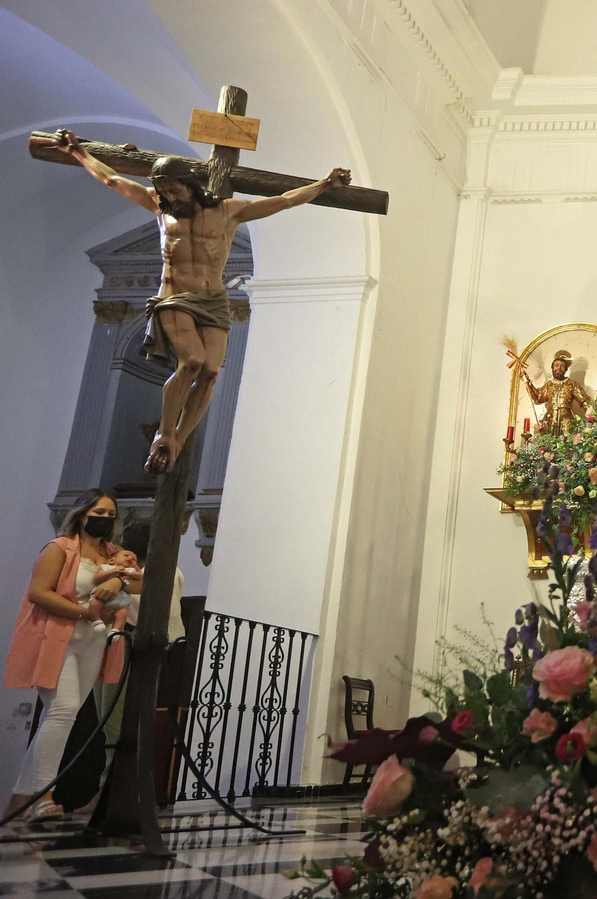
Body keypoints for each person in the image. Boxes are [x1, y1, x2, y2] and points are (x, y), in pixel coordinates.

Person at [55, 129, 349, 473]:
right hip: (175, 297)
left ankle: (178, 438)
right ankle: (164, 432)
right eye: (163, 190)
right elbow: (112, 180)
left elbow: (284, 200)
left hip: (213, 300)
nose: (168, 196)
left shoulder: (228, 211)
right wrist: (77, 151)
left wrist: (325, 184)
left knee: (210, 372)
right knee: (192, 361)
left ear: (189, 184)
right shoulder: (156, 204)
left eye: (173, 189)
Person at [4, 490, 135, 821]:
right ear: (82, 513)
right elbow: (38, 592)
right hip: (57, 638)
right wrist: (84, 612)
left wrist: (118, 585)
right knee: (62, 710)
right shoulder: (59, 548)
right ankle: (43, 796)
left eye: (111, 513)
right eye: (99, 512)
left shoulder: (113, 553)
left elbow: (137, 584)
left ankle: (20, 800)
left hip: (91, 644)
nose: (105, 518)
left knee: (64, 714)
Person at [523, 350, 587, 436]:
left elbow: (584, 401)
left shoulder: (572, 384)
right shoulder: (549, 385)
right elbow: (538, 397)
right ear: (552, 368)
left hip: (566, 421)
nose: (559, 368)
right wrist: (527, 383)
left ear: (565, 369)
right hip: (550, 421)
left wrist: (593, 417)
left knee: (566, 443)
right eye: (556, 365)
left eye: (562, 366)